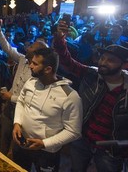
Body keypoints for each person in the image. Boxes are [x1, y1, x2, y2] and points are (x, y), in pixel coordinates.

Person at [54, 21, 128, 172]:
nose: (103, 62)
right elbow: (67, 61)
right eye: (102, 58)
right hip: (83, 140)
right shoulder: (92, 74)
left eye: (111, 60)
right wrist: (60, 39)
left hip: (110, 149)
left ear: (124, 65)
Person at [12, 48, 83, 172]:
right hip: (22, 141)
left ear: (48, 69)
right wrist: (17, 123)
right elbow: (21, 102)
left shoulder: (70, 96)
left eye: (35, 64)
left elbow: (73, 131)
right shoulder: (31, 81)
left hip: (46, 151)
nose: (30, 66)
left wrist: (45, 143)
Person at [0, 18, 48, 155]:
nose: (27, 46)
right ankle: (1, 158)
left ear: (37, 53)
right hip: (9, 107)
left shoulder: (39, 73)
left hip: (23, 110)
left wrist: (11, 97)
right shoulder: (22, 59)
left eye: (31, 47)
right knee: (4, 134)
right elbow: (6, 47)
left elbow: (33, 98)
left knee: (17, 139)